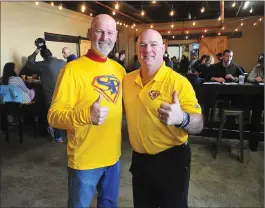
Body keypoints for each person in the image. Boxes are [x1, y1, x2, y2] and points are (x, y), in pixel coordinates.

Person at [47, 14, 126, 208]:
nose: (104, 37)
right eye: (99, 31)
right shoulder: (72, 70)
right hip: (84, 162)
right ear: (90, 33)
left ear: (115, 37)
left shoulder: (119, 70)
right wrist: (86, 116)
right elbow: (53, 116)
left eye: (109, 33)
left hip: (113, 159)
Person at [123, 29, 203, 208]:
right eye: (142, 45)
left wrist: (182, 118)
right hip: (140, 161)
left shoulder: (179, 83)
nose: (147, 49)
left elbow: (199, 123)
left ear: (163, 48)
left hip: (172, 161)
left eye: (153, 45)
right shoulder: (127, 81)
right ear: (137, 49)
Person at [25, 47, 66, 142]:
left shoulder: (43, 65)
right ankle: (64, 131)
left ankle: (58, 136)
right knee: (63, 111)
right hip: (64, 92)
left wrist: (36, 52)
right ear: (51, 54)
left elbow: (29, 63)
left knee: (54, 113)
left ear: (43, 56)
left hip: (50, 94)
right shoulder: (62, 62)